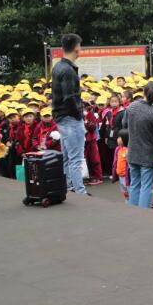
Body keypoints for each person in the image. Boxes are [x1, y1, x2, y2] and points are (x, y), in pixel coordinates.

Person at [52, 34, 90, 196]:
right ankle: (80, 192)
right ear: (76, 48)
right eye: (80, 46)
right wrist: (79, 116)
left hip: (62, 118)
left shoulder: (58, 66)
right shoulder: (68, 70)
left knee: (67, 158)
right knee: (75, 159)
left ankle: (68, 188)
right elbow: (69, 98)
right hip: (71, 118)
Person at [122, 81, 153, 208]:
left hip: (133, 150)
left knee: (134, 184)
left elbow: (124, 124)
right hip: (148, 154)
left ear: (143, 91)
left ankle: (133, 211)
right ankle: (143, 213)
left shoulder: (131, 107)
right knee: (146, 186)